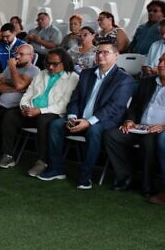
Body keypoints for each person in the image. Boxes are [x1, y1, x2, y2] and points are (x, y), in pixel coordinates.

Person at [37, 43, 136, 189]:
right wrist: (71, 116)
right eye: (98, 52)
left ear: (116, 56)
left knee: (94, 131)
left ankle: (85, 176)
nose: (100, 55)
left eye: (105, 52)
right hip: (79, 117)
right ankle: (56, 168)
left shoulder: (124, 79)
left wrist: (89, 122)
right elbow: (75, 98)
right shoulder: (86, 73)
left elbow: (115, 107)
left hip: (103, 121)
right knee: (56, 125)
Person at [0, 48, 79, 177]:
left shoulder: (73, 78)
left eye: (55, 64)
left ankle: (43, 161)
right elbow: (27, 94)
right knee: (10, 115)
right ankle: (7, 154)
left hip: (53, 112)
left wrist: (40, 111)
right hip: (32, 110)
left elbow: (64, 104)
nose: (51, 67)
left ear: (64, 62)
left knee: (44, 120)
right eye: (48, 63)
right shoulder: (41, 74)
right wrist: (25, 107)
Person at [104, 52, 165, 197]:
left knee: (148, 140)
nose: (161, 64)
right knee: (111, 136)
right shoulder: (147, 82)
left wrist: (163, 127)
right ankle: (125, 177)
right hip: (139, 127)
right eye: (160, 61)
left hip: (159, 131)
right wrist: (130, 120)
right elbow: (134, 106)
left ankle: (147, 185)